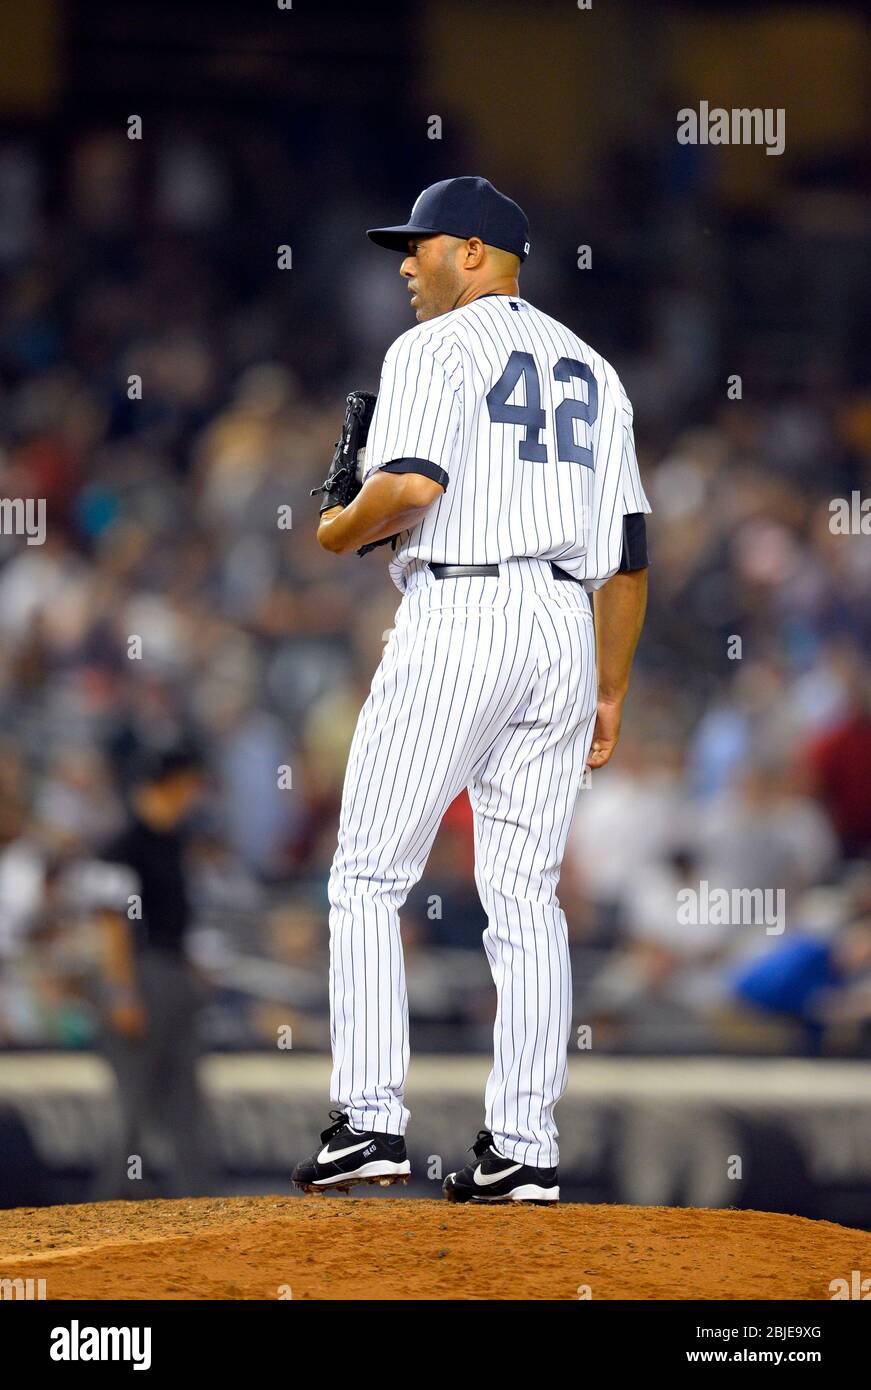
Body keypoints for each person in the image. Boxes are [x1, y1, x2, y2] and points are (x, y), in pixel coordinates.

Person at [293, 177, 650, 1203]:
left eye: (421, 246)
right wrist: (611, 689)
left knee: (367, 873)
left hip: (462, 612)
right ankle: (525, 1148)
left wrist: (334, 527)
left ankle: (368, 1121)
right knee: (526, 896)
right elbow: (628, 554)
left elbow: (408, 490)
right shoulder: (598, 370)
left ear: (478, 251)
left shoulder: (432, 349)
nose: (405, 265)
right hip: (561, 629)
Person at [89, 745, 211, 1199]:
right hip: (141, 977)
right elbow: (110, 923)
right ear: (176, 784)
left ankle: (199, 1207)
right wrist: (122, 992)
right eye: (192, 786)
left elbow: (174, 917)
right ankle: (107, 1211)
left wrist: (192, 969)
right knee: (133, 1105)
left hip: (174, 974)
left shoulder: (173, 841)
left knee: (186, 1102)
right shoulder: (122, 845)